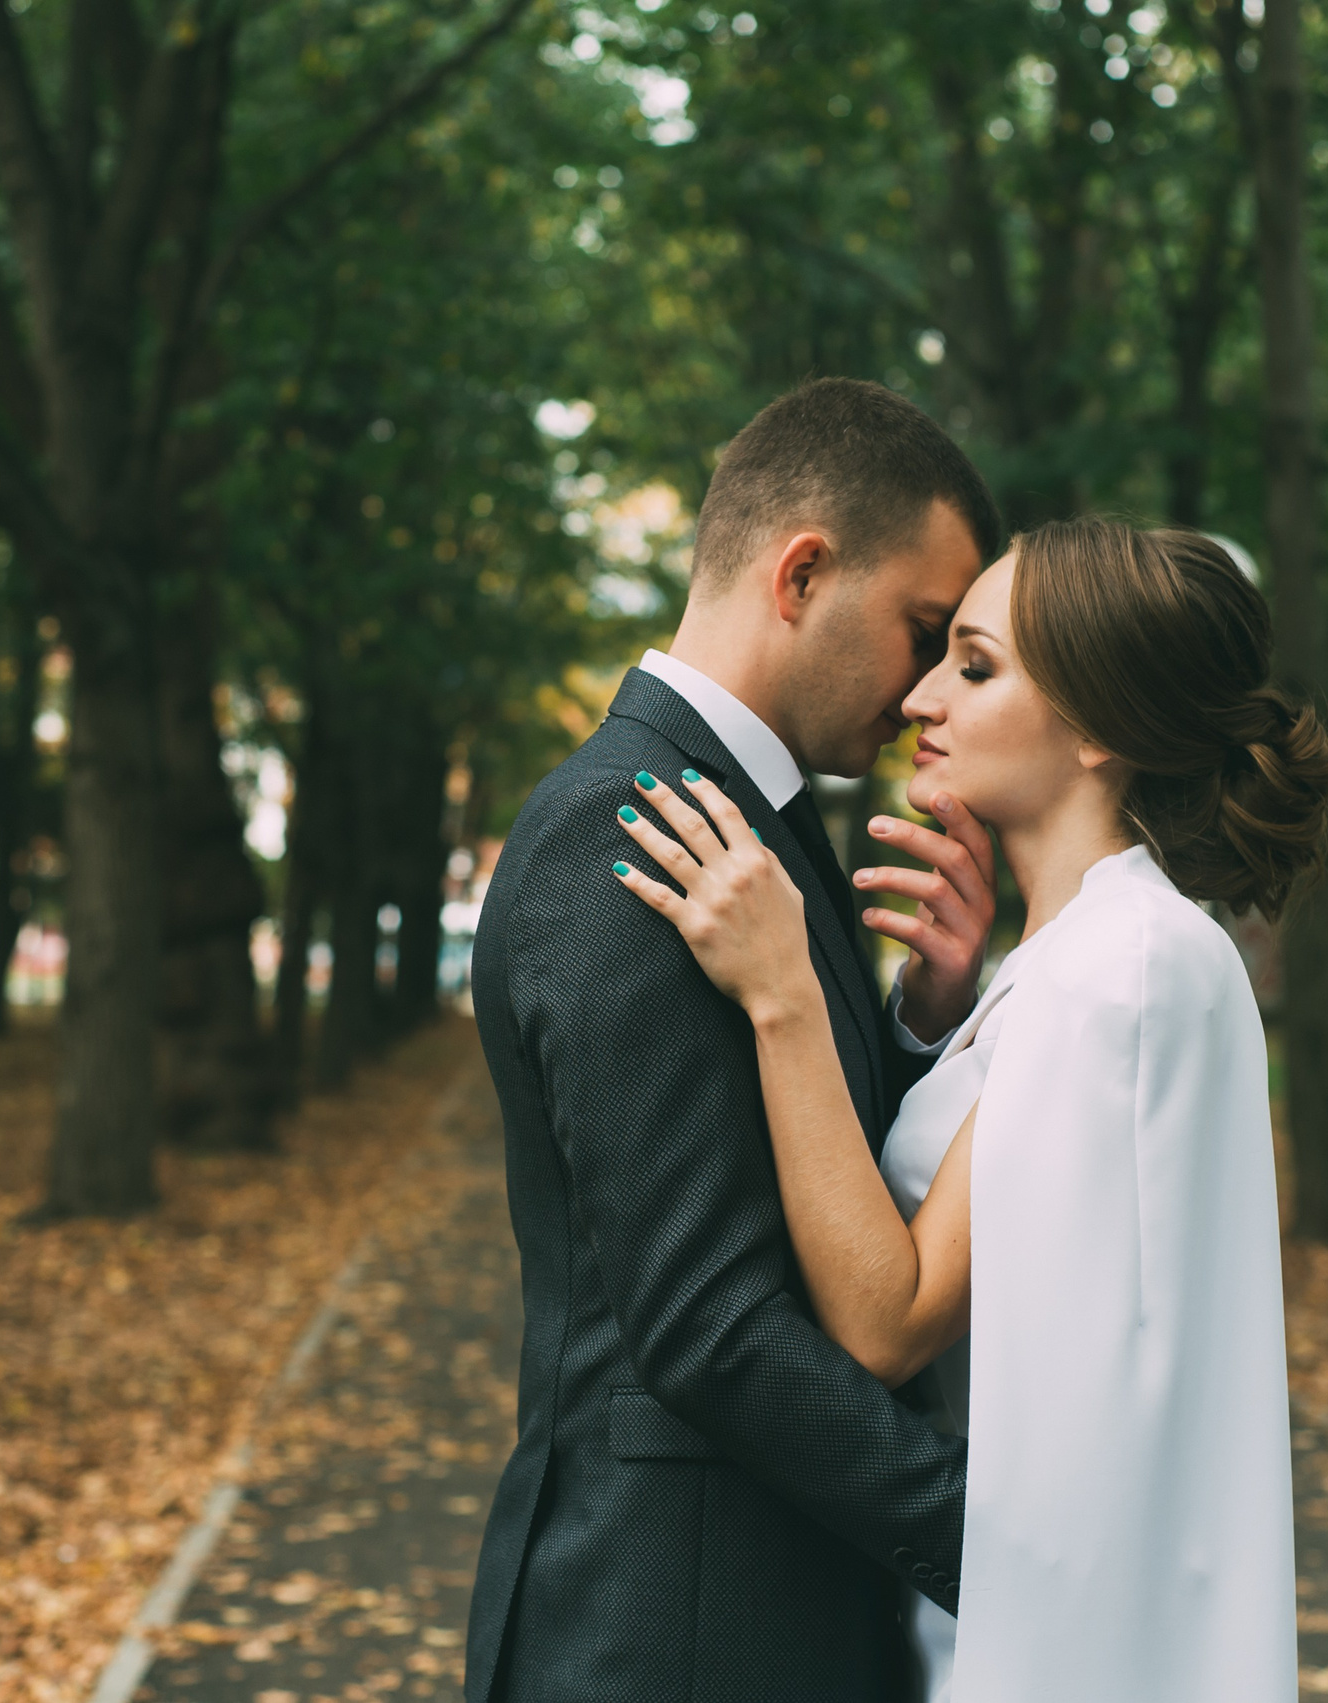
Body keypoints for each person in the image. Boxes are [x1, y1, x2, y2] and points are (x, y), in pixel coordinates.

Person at [611, 518, 1328, 1698]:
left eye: (974, 663)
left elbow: (886, 1319)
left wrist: (785, 990)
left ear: (1098, 726)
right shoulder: (1096, 955)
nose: (919, 698)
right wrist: (938, 1016)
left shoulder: (1123, 970)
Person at [465, 378, 1010, 1701]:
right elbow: (708, 1320)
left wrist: (926, 1019)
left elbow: (786, 1178)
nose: (932, 686)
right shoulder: (629, 825)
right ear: (804, 572)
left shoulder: (752, 807)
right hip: (662, 1631)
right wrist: (994, 1543)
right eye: (926, 631)